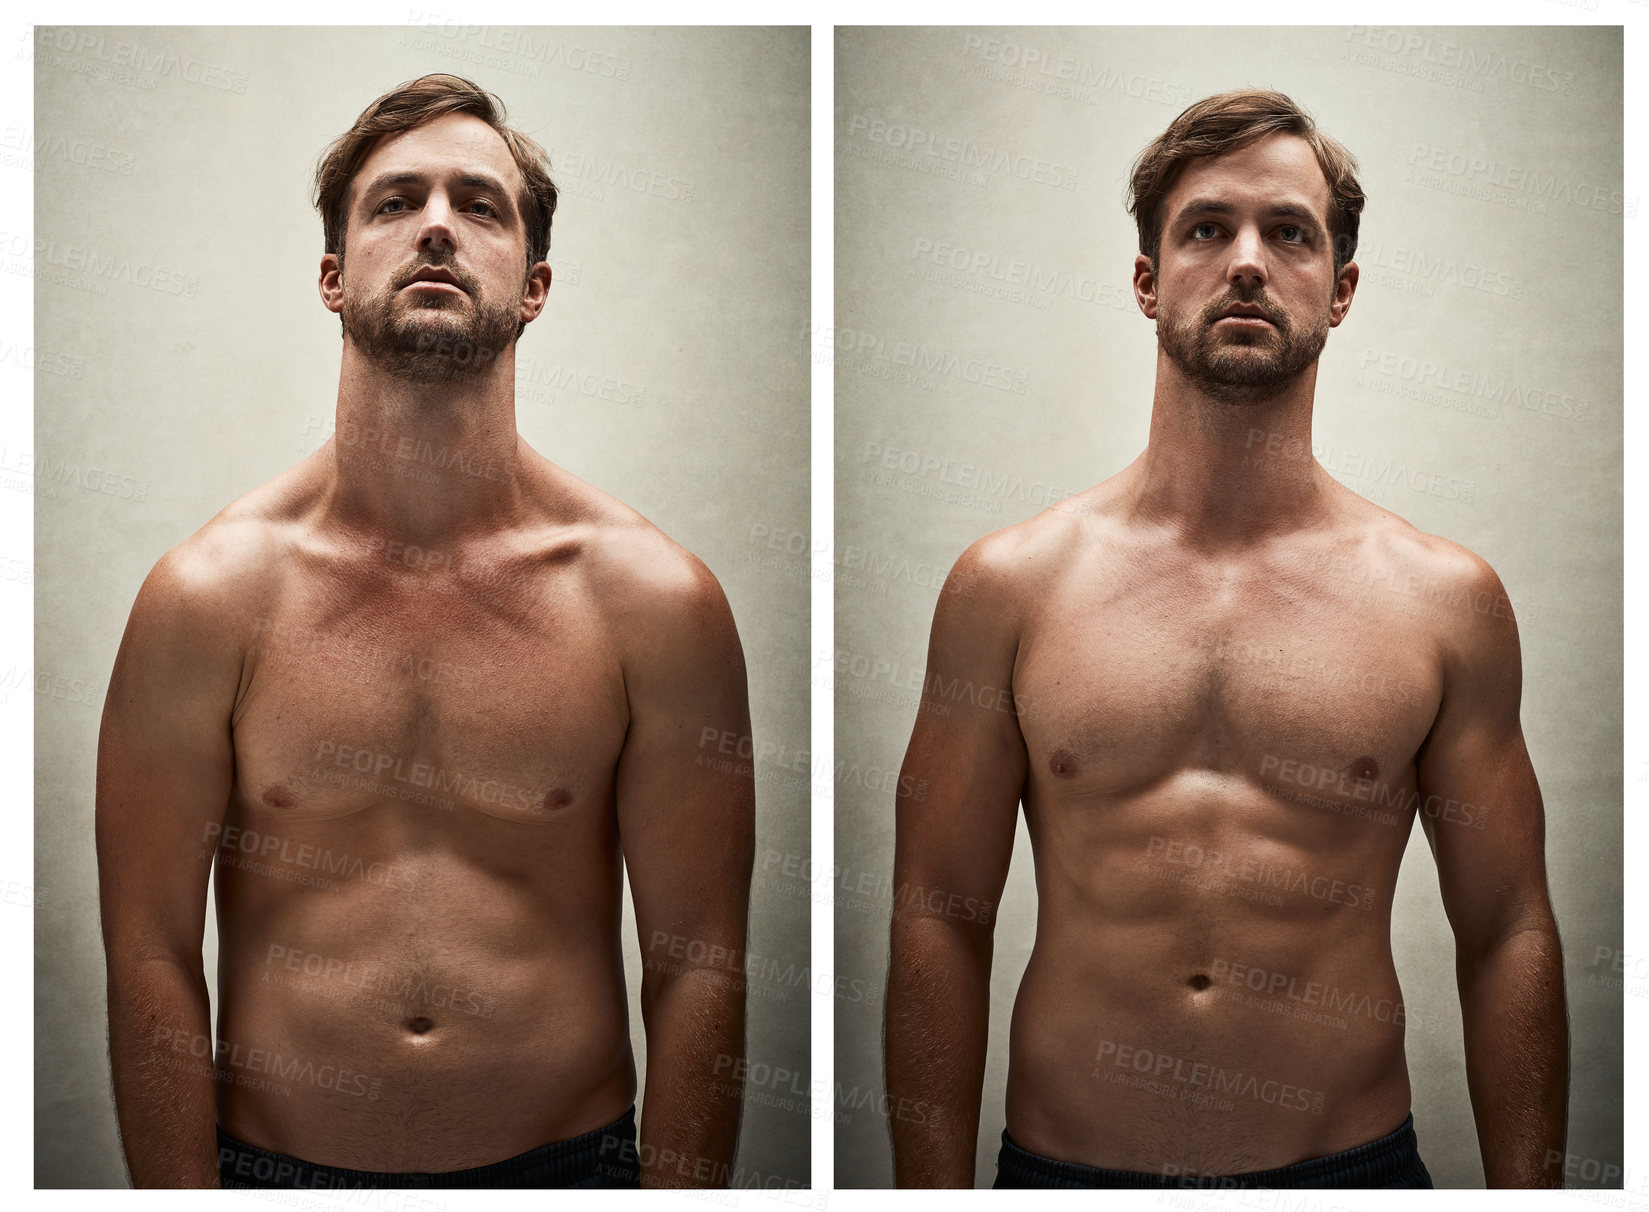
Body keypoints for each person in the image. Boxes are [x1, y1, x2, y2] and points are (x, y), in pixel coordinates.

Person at [884, 88, 1566, 1189]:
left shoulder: (1442, 601)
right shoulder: (1007, 590)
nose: (1246, 261)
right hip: (1066, 1170)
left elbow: (1506, 931)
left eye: (1286, 233)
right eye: (1206, 228)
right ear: (1148, 280)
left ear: (1338, 291)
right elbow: (934, 917)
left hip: (1344, 1169)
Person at [95, 74, 755, 1189]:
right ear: (332, 274)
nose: (437, 225)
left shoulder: (652, 601)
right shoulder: (207, 599)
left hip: (566, 1166)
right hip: (276, 1169)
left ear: (534, 284)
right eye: (395, 202)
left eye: (479, 205)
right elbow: (151, 956)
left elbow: (698, 967)